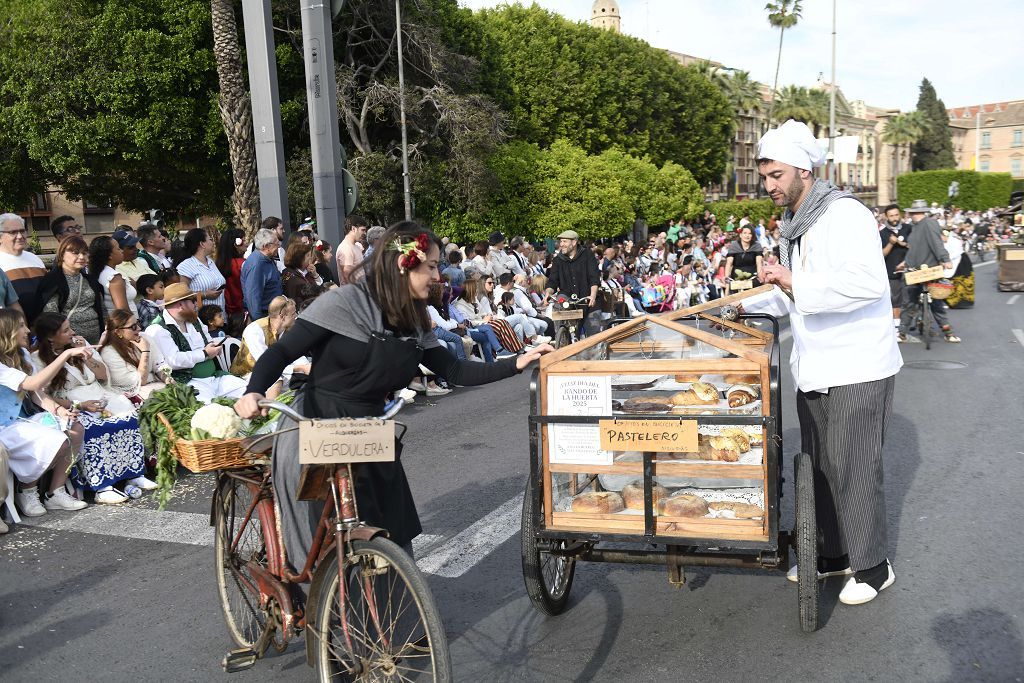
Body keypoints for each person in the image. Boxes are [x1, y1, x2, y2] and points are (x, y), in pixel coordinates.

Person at [234, 222, 553, 568]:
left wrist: (515, 363)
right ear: (404, 264)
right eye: (431, 266)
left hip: (369, 428)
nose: (437, 276)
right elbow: (280, 354)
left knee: (394, 529)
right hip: (316, 420)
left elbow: (456, 370)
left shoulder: (414, 319)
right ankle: (303, 600)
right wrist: (253, 392)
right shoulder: (345, 302)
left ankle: (392, 608)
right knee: (313, 534)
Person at [746, 119, 902, 606]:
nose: (769, 186)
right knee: (817, 465)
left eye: (776, 176)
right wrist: (747, 305)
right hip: (816, 365)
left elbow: (867, 284)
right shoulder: (797, 222)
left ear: (804, 171)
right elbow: (791, 291)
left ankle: (874, 567)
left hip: (858, 365)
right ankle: (832, 555)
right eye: (765, 177)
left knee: (852, 464)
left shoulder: (844, 214)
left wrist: (791, 283)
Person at [32, 312, 152, 504]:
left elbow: (103, 375)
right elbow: (44, 395)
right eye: (65, 330)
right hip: (71, 403)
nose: (72, 332)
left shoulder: (79, 346)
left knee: (129, 416)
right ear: (50, 336)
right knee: (93, 427)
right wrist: (79, 405)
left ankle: (133, 474)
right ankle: (102, 486)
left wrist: (87, 356)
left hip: (98, 394)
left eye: (70, 327)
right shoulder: (37, 359)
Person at [0, 309, 88, 517]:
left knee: (74, 428)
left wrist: (59, 411)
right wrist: (66, 354)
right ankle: (27, 490)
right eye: (21, 326)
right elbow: (33, 383)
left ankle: (55, 492)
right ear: (7, 331)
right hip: (5, 426)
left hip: (23, 419)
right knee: (55, 438)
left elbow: (37, 393)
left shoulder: (21, 355)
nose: (27, 330)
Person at [146, 283, 247, 403]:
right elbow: (173, 360)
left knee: (248, 392)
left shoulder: (193, 318)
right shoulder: (158, 329)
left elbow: (208, 338)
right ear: (181, 304)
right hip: (189, 384)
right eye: (193, 300)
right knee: (212, 410)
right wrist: (205, 353)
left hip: (215, 376)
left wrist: (213, 347)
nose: (196, 304)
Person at [898, 200, 960, 343]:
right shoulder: (915, 227)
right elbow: (914, 250)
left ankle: (948, 332)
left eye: (911, 213)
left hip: (930, 269)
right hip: (914, 268)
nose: (910, 215)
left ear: (914, 213)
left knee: (935, 302)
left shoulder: (929, 223)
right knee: (910, 302)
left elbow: (936, 243)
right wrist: (905, 262)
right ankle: (902, 332)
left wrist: (945, 259)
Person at [230, 296, 310, 386]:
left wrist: (306, 367)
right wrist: (300, 368)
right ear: (282, 316)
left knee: (305, 378)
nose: (296, 317)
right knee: (276, 381)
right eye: (293, 314)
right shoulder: (255, 330)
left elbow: (296, 353)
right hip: (247, 373)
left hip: (274, 369)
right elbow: (266, 364)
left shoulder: (286, 329)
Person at [38, 237, 105, 344]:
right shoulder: (52, 281)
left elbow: (101, 308)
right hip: (69, 342)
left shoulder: (90, 280)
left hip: (96, 339)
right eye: (76, 253)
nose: (81, 257)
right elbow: (50, 314)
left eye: (84, 253)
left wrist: (106, 331)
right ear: (62, 254)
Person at [100, 310, 171, 402]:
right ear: (118, 332)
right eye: (133, 327)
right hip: (131, 395)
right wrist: (145, 351)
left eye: (138, 323)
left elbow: (159, 365)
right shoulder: (109, 353)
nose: (139, 328)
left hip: (154, 386)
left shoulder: (144, 337)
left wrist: (167, 378)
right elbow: (140, 381)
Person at [879, 203, 912, 334]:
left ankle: (913, 321)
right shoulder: (882, 233)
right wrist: (891, 244)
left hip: (910, 268)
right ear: (886, 217)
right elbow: (881, 254)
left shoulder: (908, 228)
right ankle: (897, 326)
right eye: (891, 216)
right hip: (891, 271)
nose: (894, 218)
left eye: (896, 215)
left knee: (910, 297)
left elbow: (915, 246)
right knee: (895, 299)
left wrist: (902, 243)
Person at [0, 213, 40, 320]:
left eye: (22, 231)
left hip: (44, 326)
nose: (20, 236)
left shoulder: (35, 259)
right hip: (14, 327)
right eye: (13, 232)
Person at [175, 228, 226, 311]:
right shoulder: (186, 266)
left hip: (220, 316)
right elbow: (182, 295)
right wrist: (204, 295)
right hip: (202, 318)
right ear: (202, 244)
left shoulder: (211, 262)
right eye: (210, 239)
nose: (213, 243)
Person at [241, 228, 284, 319]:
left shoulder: (268, 258)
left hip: (273, 313)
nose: (279, 246)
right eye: (276, 243)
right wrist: (260, 324)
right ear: (266, 246)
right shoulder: (256, 265)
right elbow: (253, 298)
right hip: (265, 316)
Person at [90, 235, 138, 316]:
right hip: (126, 324)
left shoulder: (101, 272)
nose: (122, 251)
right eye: (118, 248)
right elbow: (123, 310)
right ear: (109, 255)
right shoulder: (114, 277)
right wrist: (134, 325)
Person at [281, 242, 326, 307]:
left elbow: (319, 285)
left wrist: (315, 274)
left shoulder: (305, 271)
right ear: (299, 258)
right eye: (308, 255)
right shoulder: (292, 278)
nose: (310, 258)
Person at [215, 228, 247, 318]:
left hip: (227, 311)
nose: (246, 243)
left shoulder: (217, 264)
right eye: (243, 240)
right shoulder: (242, 264)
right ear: (236, 244)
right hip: (242, 310)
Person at [337, 215, 367, 284]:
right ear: (353, 229)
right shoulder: (346, 248)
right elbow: (347, 274)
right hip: (353, 292)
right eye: (362, 230)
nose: (364, 233)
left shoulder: (356, 246)